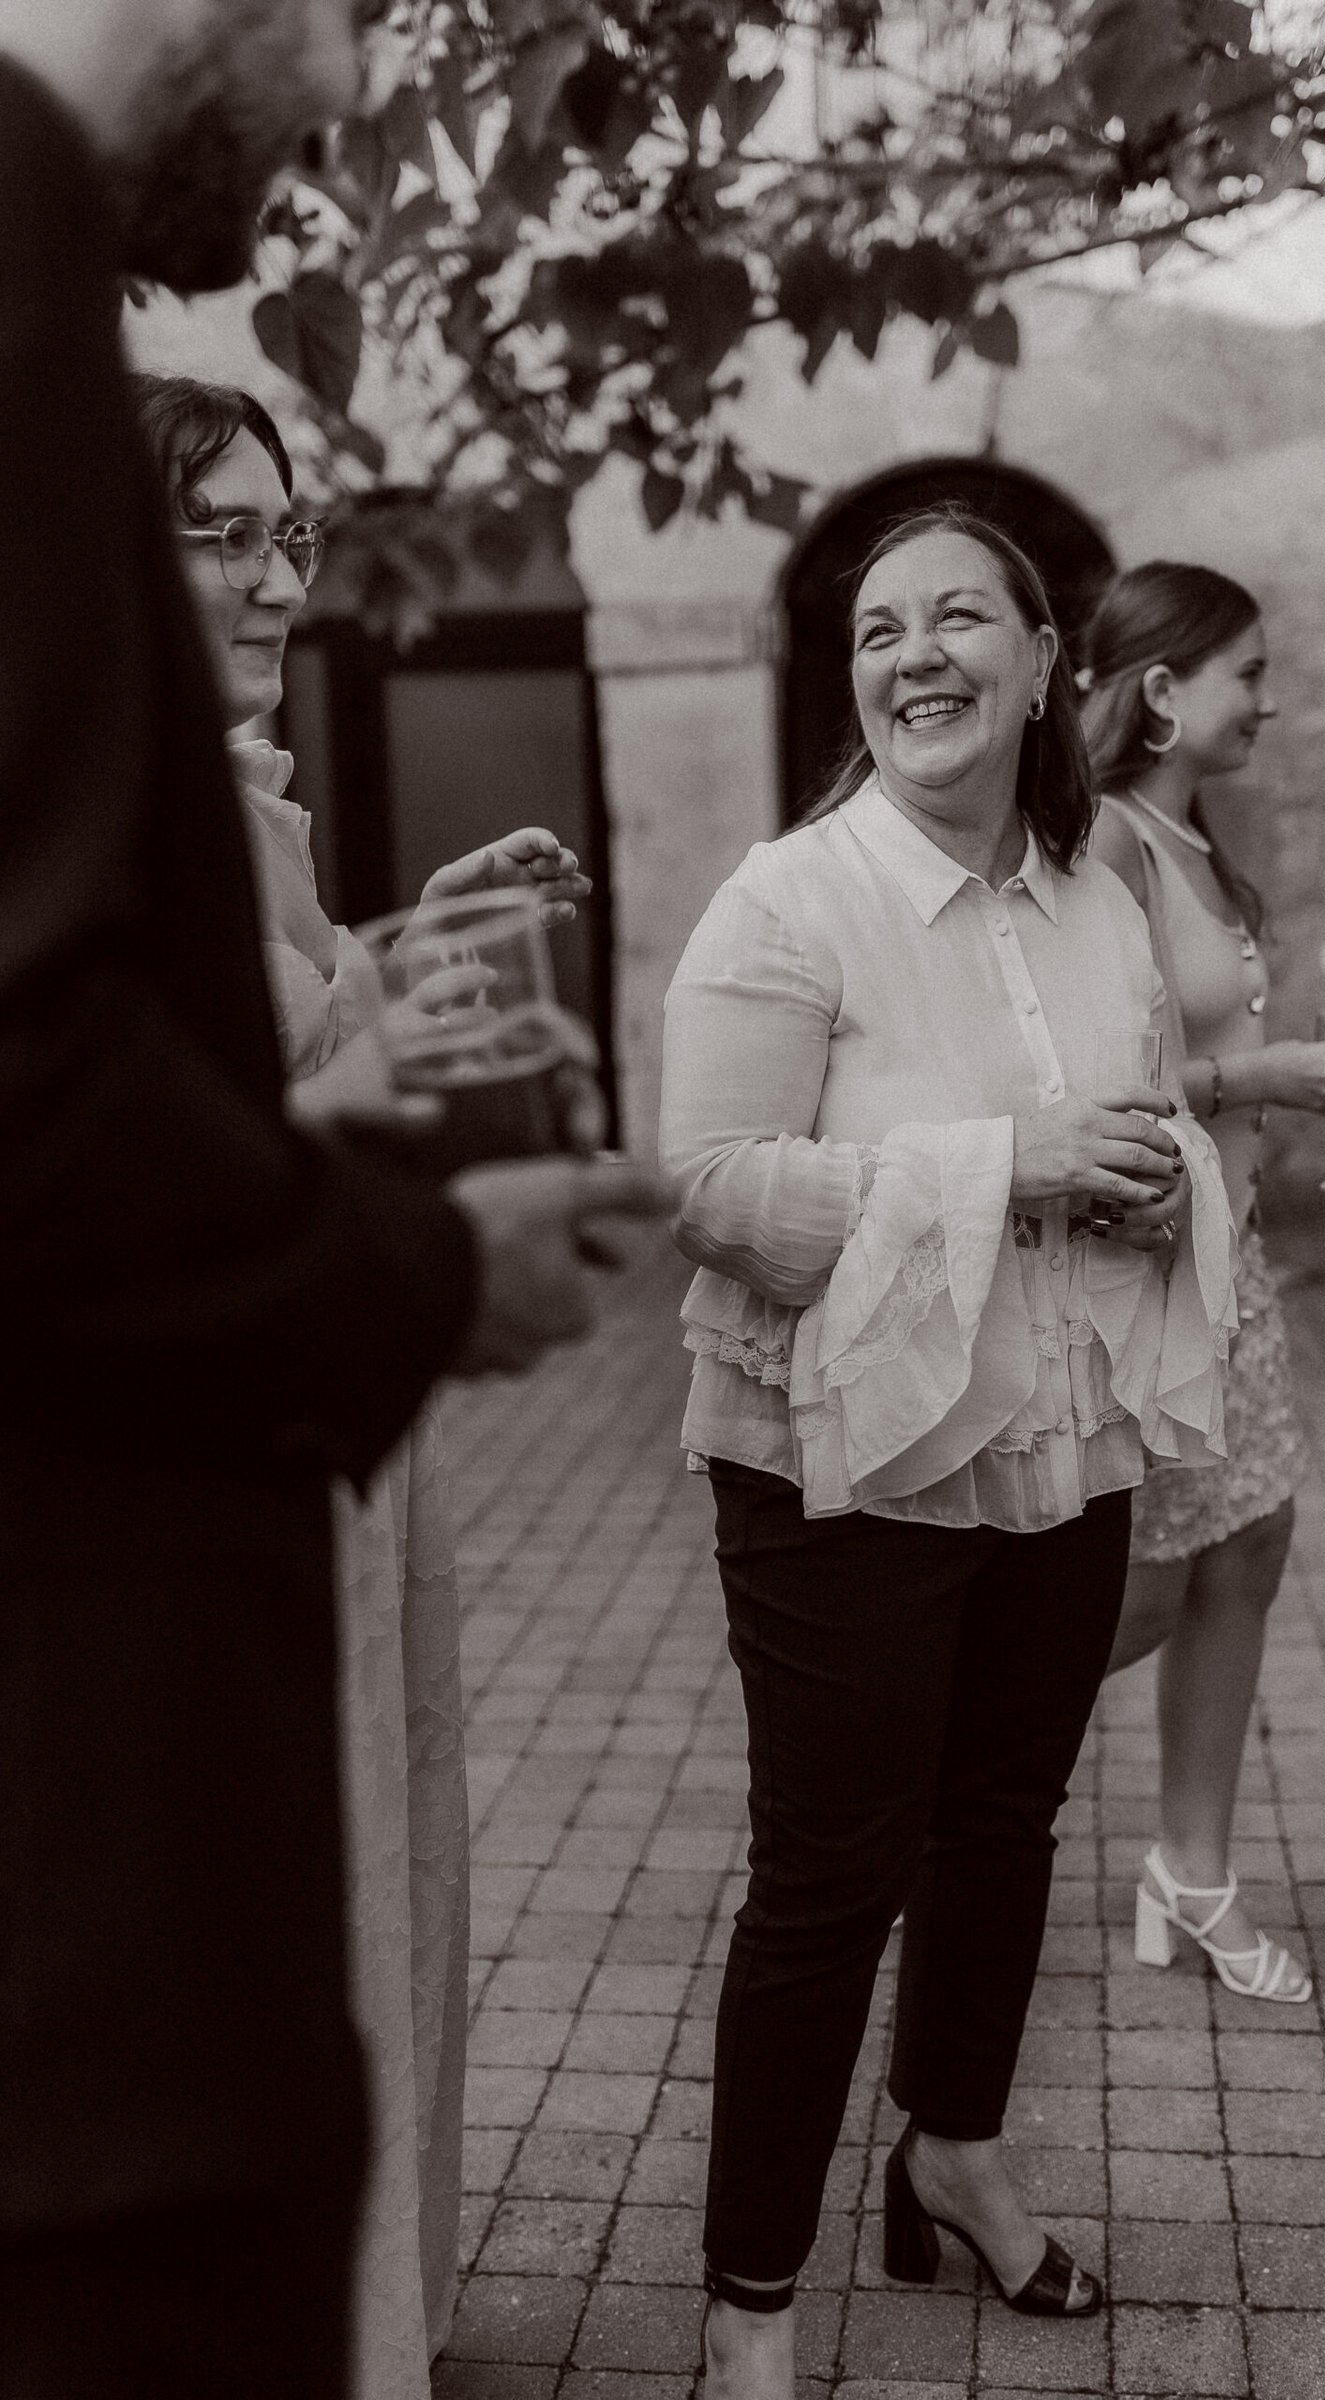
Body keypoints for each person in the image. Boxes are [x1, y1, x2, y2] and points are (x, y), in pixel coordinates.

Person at [0, 9, 664, 2395]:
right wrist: (426, 1251)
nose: (365, 87)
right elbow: (55, 1101)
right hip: (108, 1664)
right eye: (363, 12)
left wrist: (377, 976)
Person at [660, 505, 1240, 2400]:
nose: (915, 655)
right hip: (842, 1466)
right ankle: (751, 2304)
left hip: (1056, 1440)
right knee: (829, 1881)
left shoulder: (1093, 897)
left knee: (1002, 1825)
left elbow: (1143, 1114)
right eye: (879, 629)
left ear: (1046, 661)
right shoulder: (789, 901)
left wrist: (1154, 1181)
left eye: (959, 619)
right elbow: (716, 1191)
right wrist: (1013, 1165)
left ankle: (956, 2154)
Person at [133, 368, 601, 2399]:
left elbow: (294, 1040)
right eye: (217, 534)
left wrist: (417, 940)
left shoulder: (235, 798)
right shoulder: (103, 828)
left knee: (372, 1867)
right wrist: (449, 1217)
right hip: (222, 1461)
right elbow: (179, 1164)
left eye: (286, 534)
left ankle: (365, 2314)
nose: (271, 578)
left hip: (338, 1442)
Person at [1079, 561, 1325, 2004]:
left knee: (1252, 1545)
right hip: (1149, 1274)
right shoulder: (1111, 842)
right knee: (1133, 1591)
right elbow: (1101, 1085)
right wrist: (1266, 1076)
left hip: (1232, 1259)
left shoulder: (1198, 842)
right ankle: (927, 1794)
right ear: (1161, 687)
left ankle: (1191, 1873)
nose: (1269, 701)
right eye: (1248, 673)